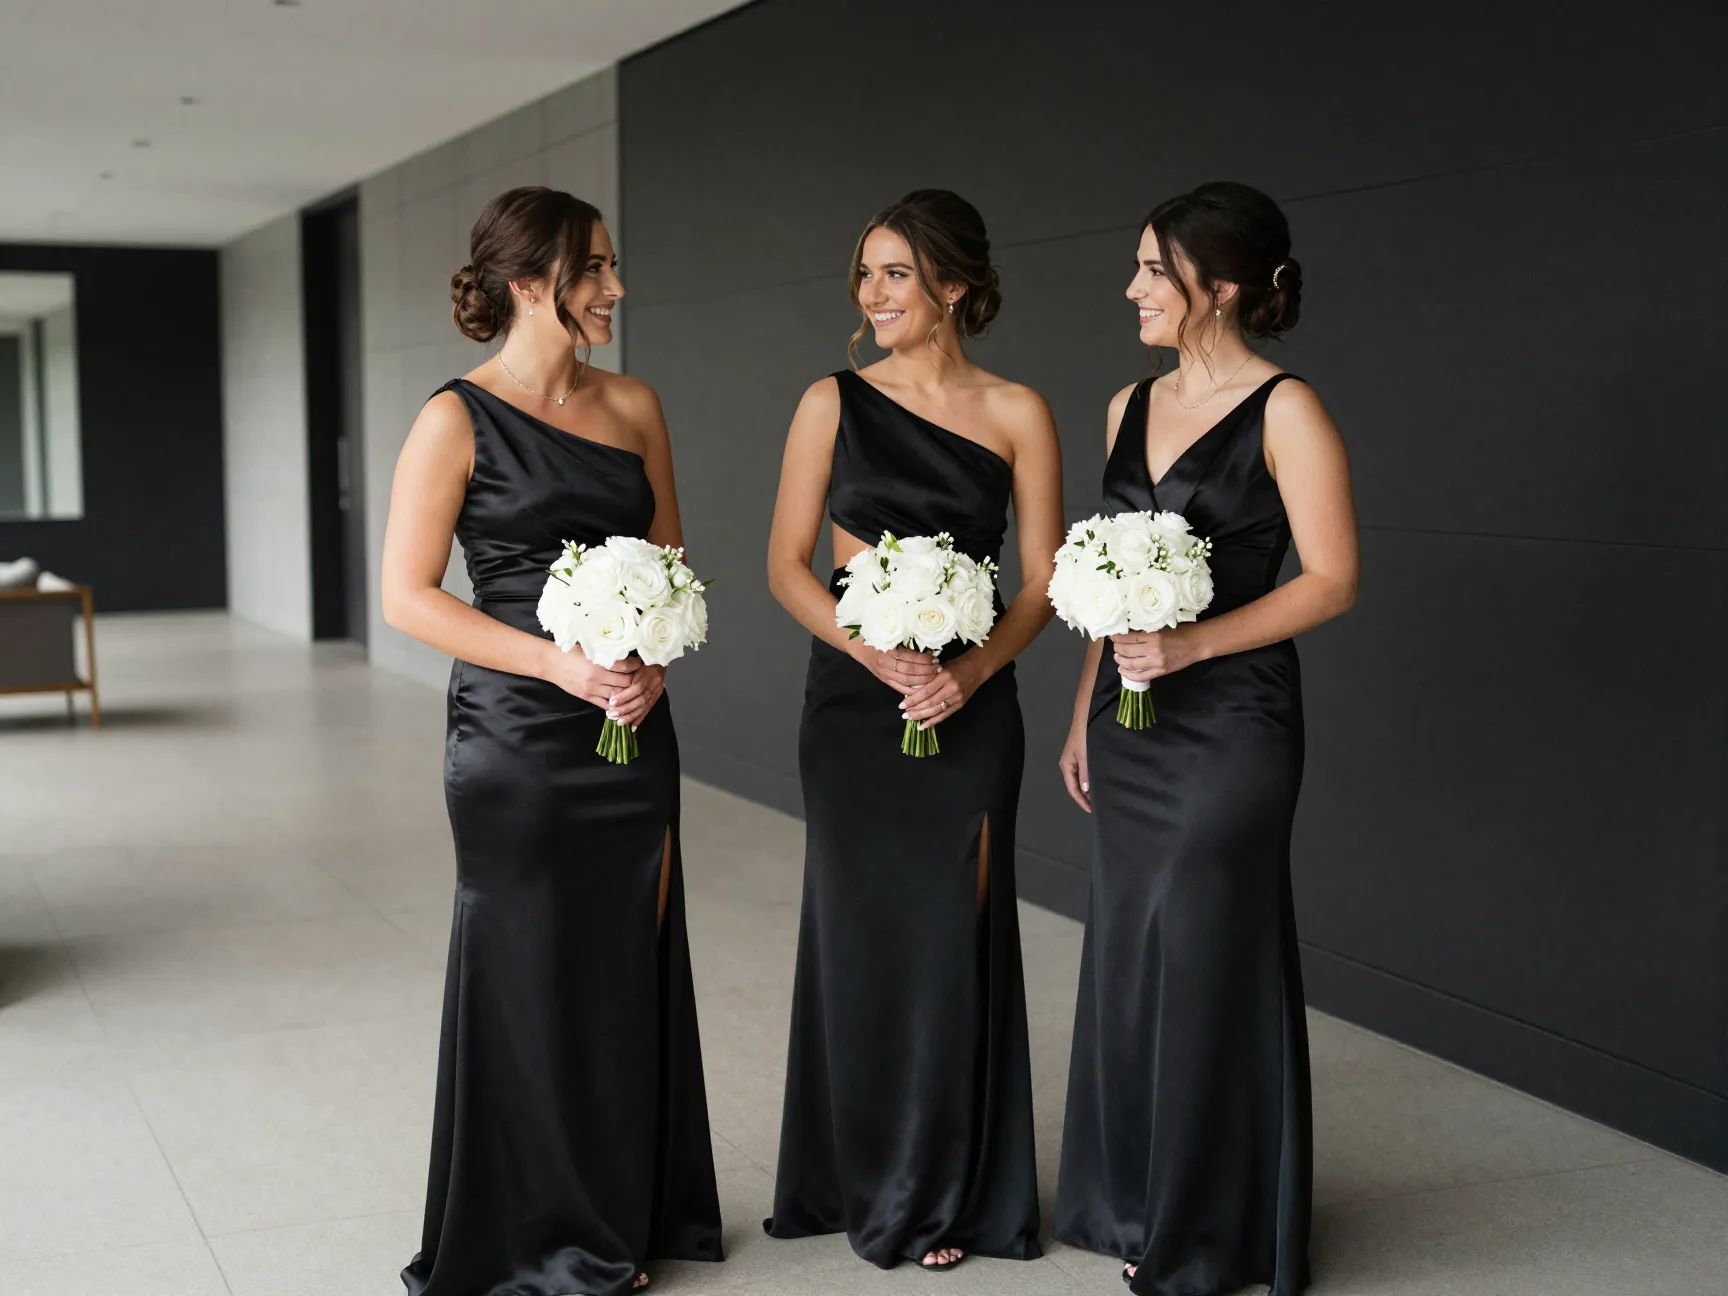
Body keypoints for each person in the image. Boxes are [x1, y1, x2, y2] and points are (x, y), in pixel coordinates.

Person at [381, 186, 722, 1296]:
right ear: (531, 284)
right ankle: (538, 1235)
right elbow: (408, 598)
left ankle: (626, 1205)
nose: (616, 287)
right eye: (595, 270)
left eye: (613, 267)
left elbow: (670, 560)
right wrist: (559, 665)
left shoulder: (634, 404)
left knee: (626, 962)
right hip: (519, 737)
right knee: (527, 971)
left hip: (632, 729)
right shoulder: (454, 418)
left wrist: (653, 659)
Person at [1054, 181, 1359, 1296]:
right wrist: (1088, 707)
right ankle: (1133, 1199)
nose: (1132, 287)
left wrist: (1196, 648)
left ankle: (1212, 1228)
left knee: (1209, 951)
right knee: (1135, 952)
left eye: (1152, 269)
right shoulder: (1123, 405)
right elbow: (1102, 575)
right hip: (1129, 721)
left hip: (1234, 722)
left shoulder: (1288, 410)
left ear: (1218, 287)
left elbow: (1333, 581)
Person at [762, 189, 1062, 1272]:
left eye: (896, 273)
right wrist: (868, 652)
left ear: (957, 285)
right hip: (853, 708)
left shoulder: (1020, 411)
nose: (872, 294)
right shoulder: (829, 402)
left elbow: (1042, 583)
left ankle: (951, 1191)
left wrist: (972, 671)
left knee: (954, 943)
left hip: (974, 712)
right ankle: (857, 1174)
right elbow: (786, 563)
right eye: (866, 273)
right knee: (862, 939)